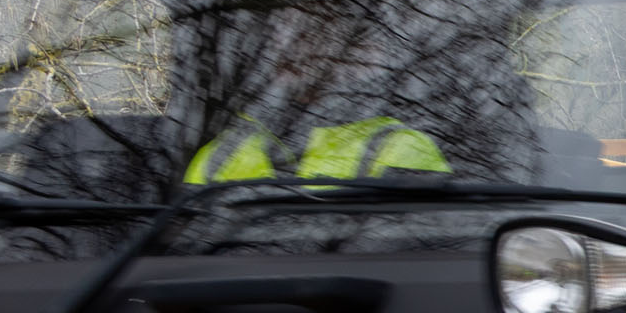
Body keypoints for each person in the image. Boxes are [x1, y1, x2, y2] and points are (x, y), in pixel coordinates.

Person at [184, 114, 449, 184]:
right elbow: (187, 227)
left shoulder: (404, 145)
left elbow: (407, 247)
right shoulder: (223, 151)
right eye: (294, 37)